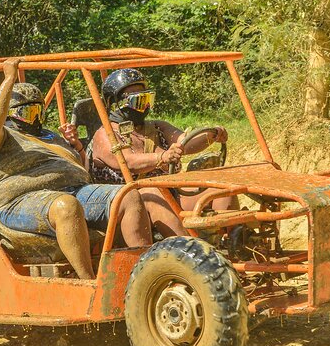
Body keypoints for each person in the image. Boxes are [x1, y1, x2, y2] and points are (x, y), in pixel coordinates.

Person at [0, 59, 152, 279]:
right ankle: (88, 284)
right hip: (19, 201)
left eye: (39, 112)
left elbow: (81, 165)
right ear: (9, 114)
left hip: (74, 190)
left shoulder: (49, 136)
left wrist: (75, 146)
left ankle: (143, 279)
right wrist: (9, 79)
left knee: (129, 196)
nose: (36, 119)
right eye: (28, 113)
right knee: (66, 207)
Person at [89, 68, 235, 237]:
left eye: (147, 99)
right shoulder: (105, 135)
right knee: (152, 193)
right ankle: (192, 253)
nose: (144, 107)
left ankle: (235, 242)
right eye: (138, 101)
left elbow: (185, 143)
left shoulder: (157, 127)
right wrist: (162, 157)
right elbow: (128, 162)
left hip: (168, 195)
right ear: (115, 103)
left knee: (219, 190)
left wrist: (211, 135)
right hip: (128, 208)